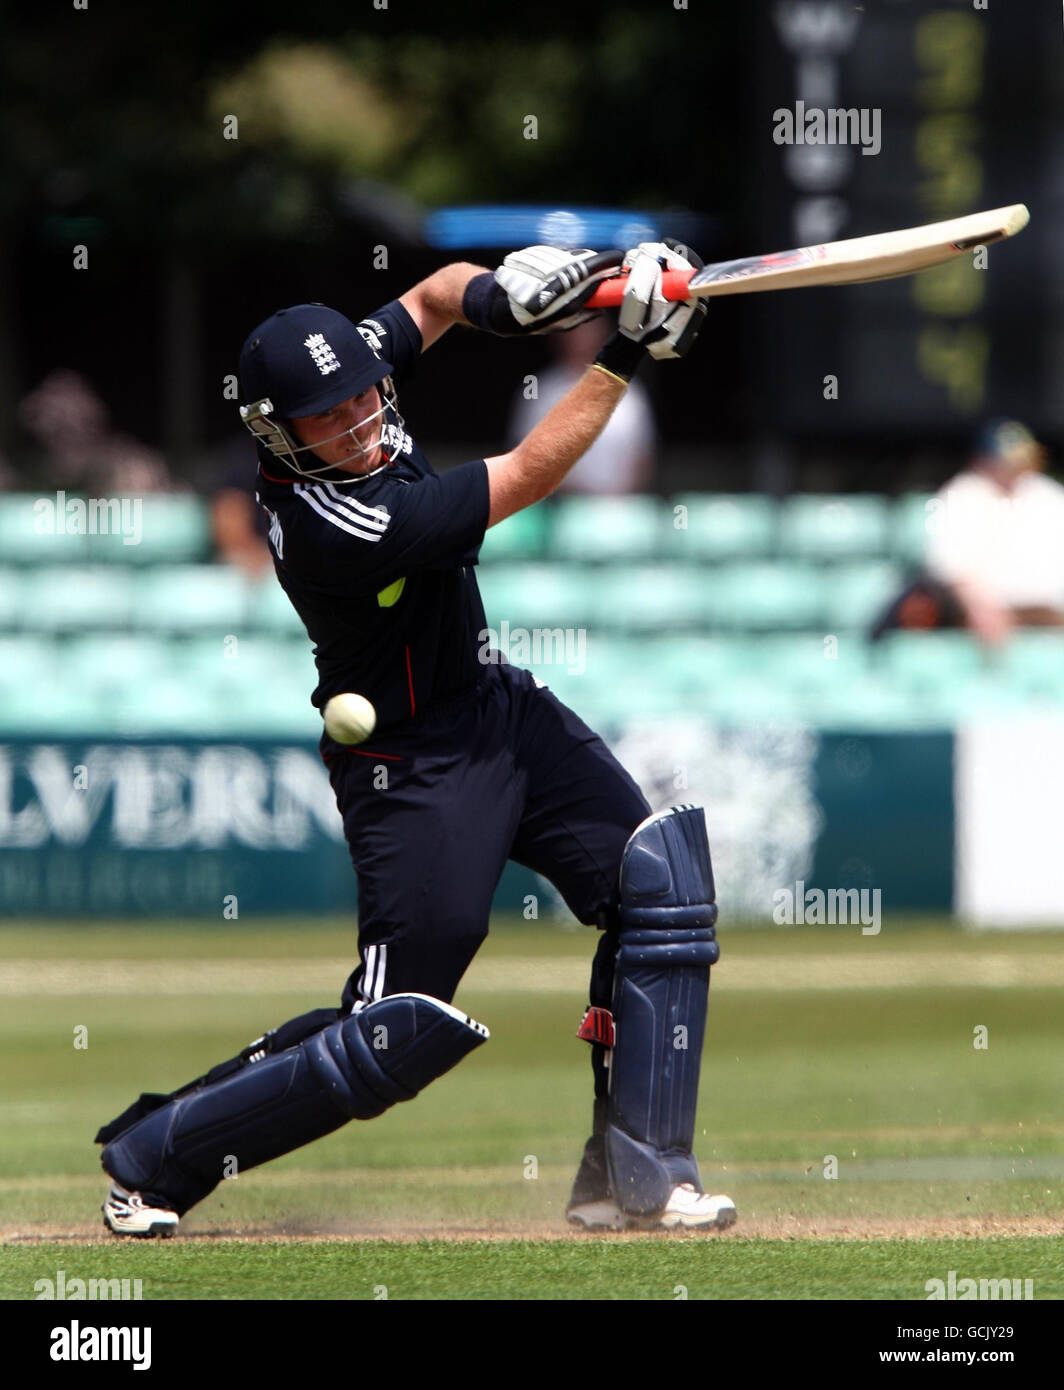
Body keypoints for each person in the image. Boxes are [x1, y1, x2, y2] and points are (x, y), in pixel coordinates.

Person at [93, 241, 735, 1237]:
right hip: (411, 764)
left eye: (363, 394)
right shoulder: (336, 519)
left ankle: (638, 1175)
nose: (358, 417)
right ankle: (154, 1156)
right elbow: (522, 472)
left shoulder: (354, 382)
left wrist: (506, 298)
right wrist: (623, 350)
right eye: (330, 414)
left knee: (658, 883)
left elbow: (432, 297)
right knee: (392, 1032)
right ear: (277, 433)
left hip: (495, 704)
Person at [507, 316, 657, 494]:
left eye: (589, 331)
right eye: (575, 332)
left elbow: (642, 456)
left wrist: (618, 499)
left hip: (618, 507)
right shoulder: (540, 388)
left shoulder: (631, 392)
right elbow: (522, 457)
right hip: (556, 507)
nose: (581, 339)